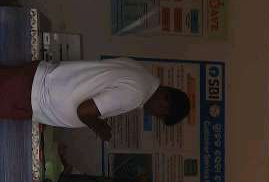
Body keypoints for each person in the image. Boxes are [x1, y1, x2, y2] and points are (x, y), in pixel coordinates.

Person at [0, 58, 190, 141]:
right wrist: (100, 128)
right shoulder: (137, 93)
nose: (154, 115)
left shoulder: (139, 71)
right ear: (165, 99)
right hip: (33, 94)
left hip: (37, 84)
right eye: (161, 114)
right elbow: (84, 111)